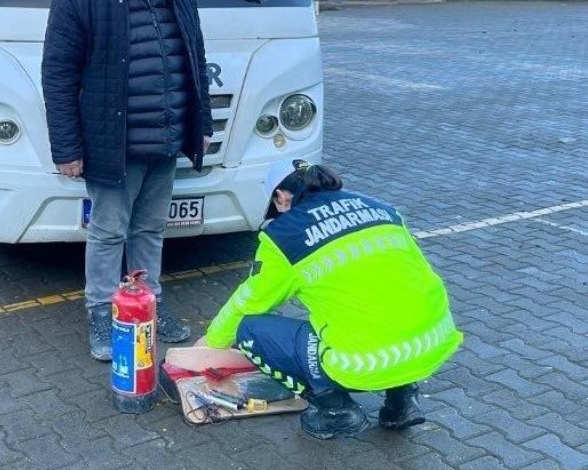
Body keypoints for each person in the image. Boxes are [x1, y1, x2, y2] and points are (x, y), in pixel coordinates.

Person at [42, 0, 214, 361]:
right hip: (111, 145)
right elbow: (57, 77)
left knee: (151, 228)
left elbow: (193, 60)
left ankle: (147, 302)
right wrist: (67, 149)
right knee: (108, 231)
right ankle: (101, 310)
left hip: (166, 140)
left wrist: (201, 128)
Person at [198, 160, 462, 439]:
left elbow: (251, 300)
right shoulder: (383, 209)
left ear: (282, 197)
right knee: (391, 310)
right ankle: (403, 401)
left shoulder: (285, 236)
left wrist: (212, 343)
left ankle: (336, 410)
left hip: (367, 362)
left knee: (250, 329)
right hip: (434, 341)